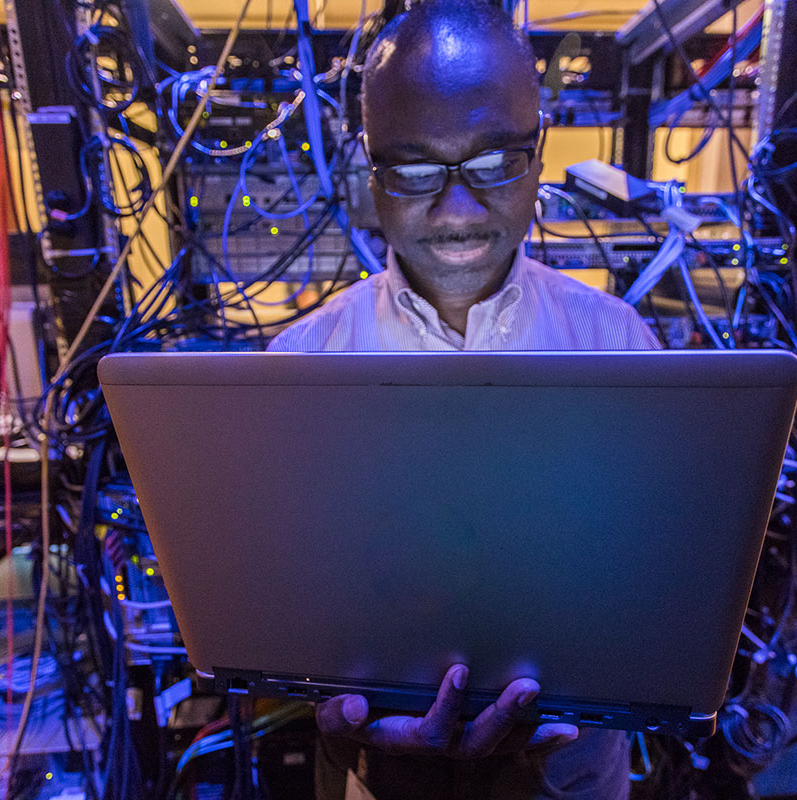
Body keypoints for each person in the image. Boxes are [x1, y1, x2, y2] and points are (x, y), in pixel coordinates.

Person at [268, 1, 658, 796]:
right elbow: (283, 616)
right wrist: (327, 714)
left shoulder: (618, 346)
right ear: (368, 172)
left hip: (572, 778)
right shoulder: (297, 367)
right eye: (413, 170)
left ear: (539, 156)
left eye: (494, 164)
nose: (456, 211)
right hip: (384, 778)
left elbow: (662, 592)